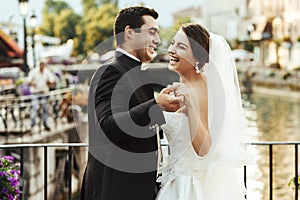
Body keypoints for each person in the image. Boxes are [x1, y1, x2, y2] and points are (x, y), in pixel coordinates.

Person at [80, 6, 183, 200]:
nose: (157, 40)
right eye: (151, 32)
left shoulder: (137, 73)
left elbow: (139, 123)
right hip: (115, 190)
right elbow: (108, 126)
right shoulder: (110, 72)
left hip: (137, 188)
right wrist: (156, 104)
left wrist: (165, 106)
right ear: (129, 32)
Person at [155, 23, 247, 199]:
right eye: (173, 43)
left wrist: (190, 103)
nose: (172, 50)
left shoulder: (198, 89)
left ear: (197, 58)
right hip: (175, 179)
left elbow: (204, 147)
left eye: (181, 46)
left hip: (189, 186)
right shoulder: (187, 86)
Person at [27, 60, 56, 131]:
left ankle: (45, 124)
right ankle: (32, 124)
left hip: (44, 93)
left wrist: (49, 83)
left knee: (45, 108)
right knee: (34, 107)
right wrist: (33, 83)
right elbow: (28, 82)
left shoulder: (47, 72)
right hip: (35, 93)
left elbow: (52, 82)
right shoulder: (33, 72)